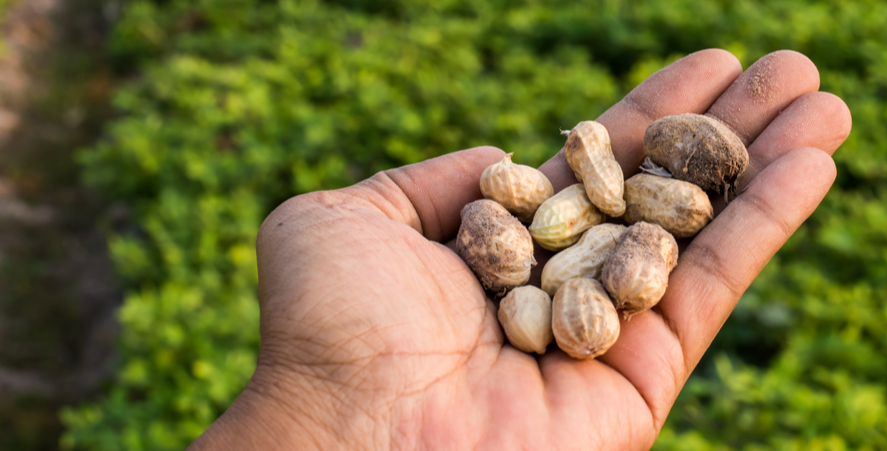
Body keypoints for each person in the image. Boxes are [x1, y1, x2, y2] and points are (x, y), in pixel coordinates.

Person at [189, 48, 852, 450]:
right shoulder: (580, 225)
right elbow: (586, 220)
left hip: (599, 258)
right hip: (582, 265)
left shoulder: (613, 219)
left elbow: (613, 217)